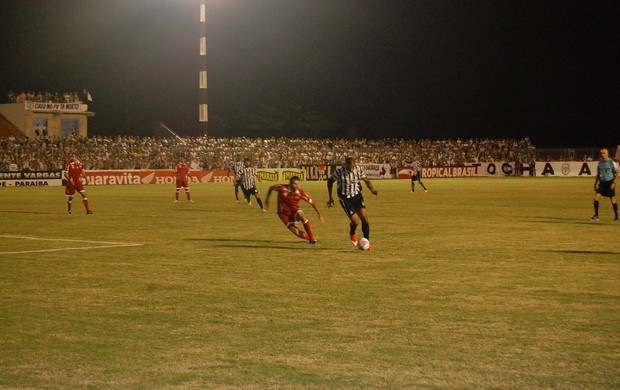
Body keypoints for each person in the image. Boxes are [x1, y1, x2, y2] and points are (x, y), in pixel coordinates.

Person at [327, 157, 378, 248]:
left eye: (352, 167)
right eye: (349, 167)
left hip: (357, 196)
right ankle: (352, 232)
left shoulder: (358, 169)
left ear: (355, 164)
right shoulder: (339, 172)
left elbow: (366, 180)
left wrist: (372, 189)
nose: (351, 169)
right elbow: (330, 181)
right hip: (345, 198)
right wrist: (330, 198)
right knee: (355, 221)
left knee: (365, 219)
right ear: (346, 165)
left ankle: (367, 242)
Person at [265, 176, 324, 244]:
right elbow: (271, 188)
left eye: (298, 184)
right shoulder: (282, 188)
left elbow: (312, 203)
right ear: (290, 184)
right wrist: (267, 200)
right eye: (295, 184)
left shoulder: (300, 193)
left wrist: (320, 214)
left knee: (301, 215)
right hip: (283, 214)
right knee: (296, 232)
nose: (297, 186)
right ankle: (311, 239)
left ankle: (311, 240)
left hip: (295, 211)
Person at [590, 148, 618, 221]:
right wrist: (595, 183)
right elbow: (598, 174)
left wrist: (614, 183)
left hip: (610, 183)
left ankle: (616, 216)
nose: (603, 154)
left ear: (607, 154)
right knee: (595, 199)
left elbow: (617, 173)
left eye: (604, 153)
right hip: (602, 183)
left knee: (613, 200)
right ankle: (596, 216)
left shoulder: (612, 162)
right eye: (602, 153)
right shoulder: (600, 163)